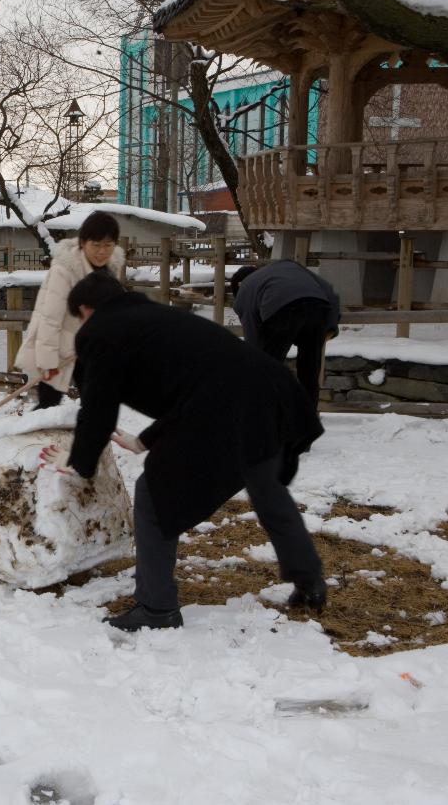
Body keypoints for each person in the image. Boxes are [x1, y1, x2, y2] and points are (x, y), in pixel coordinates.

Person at [45, 273, 327, 631]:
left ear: (86, 310)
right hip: (272, 393)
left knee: (153, 494)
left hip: (226, 406)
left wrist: (79, 463)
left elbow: (98, 410)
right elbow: (197, 384)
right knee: (266, 486)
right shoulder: (159, 320)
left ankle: (156, 608)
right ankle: (309, 582)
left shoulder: (101, 330)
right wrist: (142, 441)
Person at [14, 210, 126, 409]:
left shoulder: (111, 269)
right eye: (96, 245)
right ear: (83, 243)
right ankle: (35, 438)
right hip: (59, 347)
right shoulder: (64, 270)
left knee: (96, 402)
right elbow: (50, 318)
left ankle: (91, 437)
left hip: (88, 348)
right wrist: (47, 362)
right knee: (49, 403)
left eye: (108, 245)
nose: (102, 252)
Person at [230, 261, 340, 408]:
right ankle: (307, 421)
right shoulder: (289, 266)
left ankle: (266, 417)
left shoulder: (246, 288)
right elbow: (329, 290)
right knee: (309, 371)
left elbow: (253, 333)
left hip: (282, 309)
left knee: (268, 369)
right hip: (318, 307)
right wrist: (331, 325)